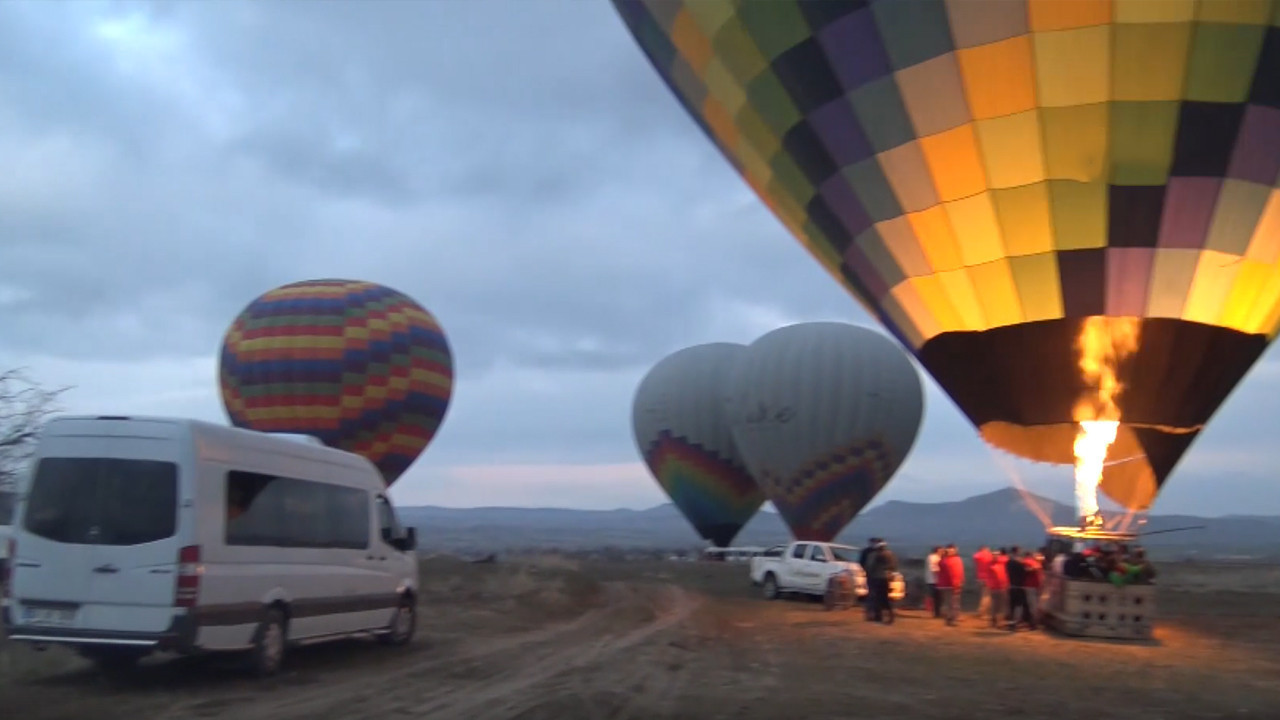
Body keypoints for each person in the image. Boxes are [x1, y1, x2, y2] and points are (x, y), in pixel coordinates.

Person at [866, 539, 898, 624]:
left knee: (876, 598)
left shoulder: (875, 555)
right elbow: (893, 566)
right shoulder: (890, 554)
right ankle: (891, 615)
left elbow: (870, 566)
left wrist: (869, 574)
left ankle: (878, 616)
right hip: (886, 578)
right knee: (885, 598)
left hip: (876, 577)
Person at [937, 544, 965, 626]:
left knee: (949, 602)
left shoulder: (943, 560)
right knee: (953, 603)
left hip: (944, 584)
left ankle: (950, 617)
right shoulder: (954, 560)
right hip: (951, 584)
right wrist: (957, 584)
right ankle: (951, 618)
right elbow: (956, 573)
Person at [985, 548, 1010, 628]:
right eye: (994, 554)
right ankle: (994, 621)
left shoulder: (1002, 563)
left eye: (997, 554)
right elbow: (988, 577)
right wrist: (990, 586)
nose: (995, 556)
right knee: (995, 605)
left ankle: (999, 621)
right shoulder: (990, 565)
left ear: (999, 555)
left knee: (1001, 605)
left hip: (1003, 587)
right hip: (995, 588)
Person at [972, 545, 993, 618]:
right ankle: (983, 612)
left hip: (980, 577)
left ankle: (981, 611)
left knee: (983, 595)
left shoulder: (978, 557)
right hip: (987, 578)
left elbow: (975, 556)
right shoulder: (989, 555)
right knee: (987, 596)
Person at [925, 546, 942, 617]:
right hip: (934, 580)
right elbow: (934, 569)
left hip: (933, 580)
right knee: (936, 597)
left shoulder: (932, 557)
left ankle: (936, 612)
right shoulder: (933, 558)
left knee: (936, 597)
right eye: (941, 551)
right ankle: (936, 612)